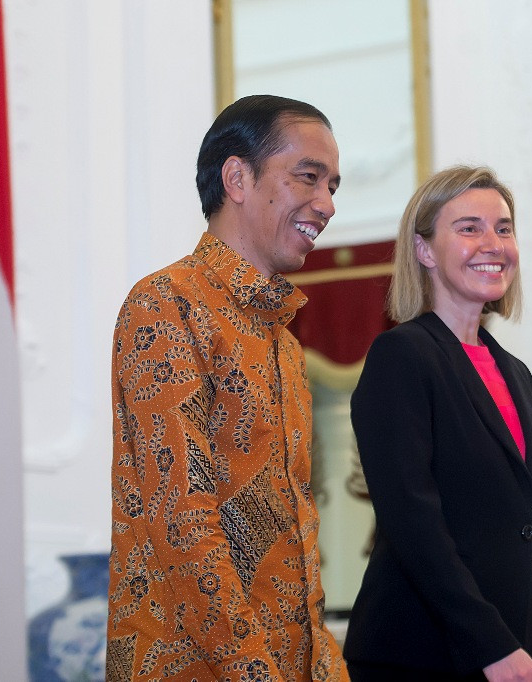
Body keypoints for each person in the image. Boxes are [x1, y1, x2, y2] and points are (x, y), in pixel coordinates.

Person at [106, 94, 349, 681]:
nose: (326, 205)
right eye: (308, 178)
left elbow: (297, 539)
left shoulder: (285, 345)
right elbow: (182, 521)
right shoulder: (164, 305)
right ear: (237, 177)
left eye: (334, 187)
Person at [343, 166, 532, 682]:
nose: (493, 243)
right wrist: (491, 645)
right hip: (424, 651)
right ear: (423, 251)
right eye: (469, 228)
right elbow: (413, 523)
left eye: (503, 228)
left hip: (511, 640)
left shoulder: (515, 372)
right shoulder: (401, 356)